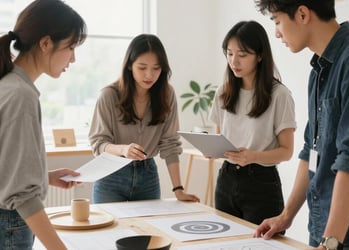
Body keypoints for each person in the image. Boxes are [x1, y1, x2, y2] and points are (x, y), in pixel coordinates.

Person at [254, 1, 349, 249]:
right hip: (323, 229)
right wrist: (286, 216)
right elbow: (312, 151)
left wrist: (331, 243)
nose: (276, 32)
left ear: (302, 13)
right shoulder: (319, 70)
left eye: (277, 21)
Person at [0, 0, 87, 249]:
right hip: (10, 225)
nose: (73, 59)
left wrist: (43, 177)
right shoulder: (20, 95)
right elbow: (23, 196)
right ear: (46, 43)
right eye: (71, 48)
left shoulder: (9, 85)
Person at [89, 34, 200, 204]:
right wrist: (123, 150)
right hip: (110, 175)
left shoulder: (167, 95)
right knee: (112, 230)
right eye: (142, 67)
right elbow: (98, 144)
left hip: (147, 176)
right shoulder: (109, 95)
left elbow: (170, 143)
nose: (149, 74)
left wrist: (178, 190)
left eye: (156, 68)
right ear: (129, 66)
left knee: (147, 229)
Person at [208, 20, 296, 227]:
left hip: (261, 184)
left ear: (260, 55)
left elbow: (287, 151)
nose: (234, 61)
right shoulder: (223, 92)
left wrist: (253, 156)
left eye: (242, 54)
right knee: (223, 243)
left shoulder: (279, 95)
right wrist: (212, 149)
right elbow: (219, 137)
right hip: (226, 179)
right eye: (229, 53)